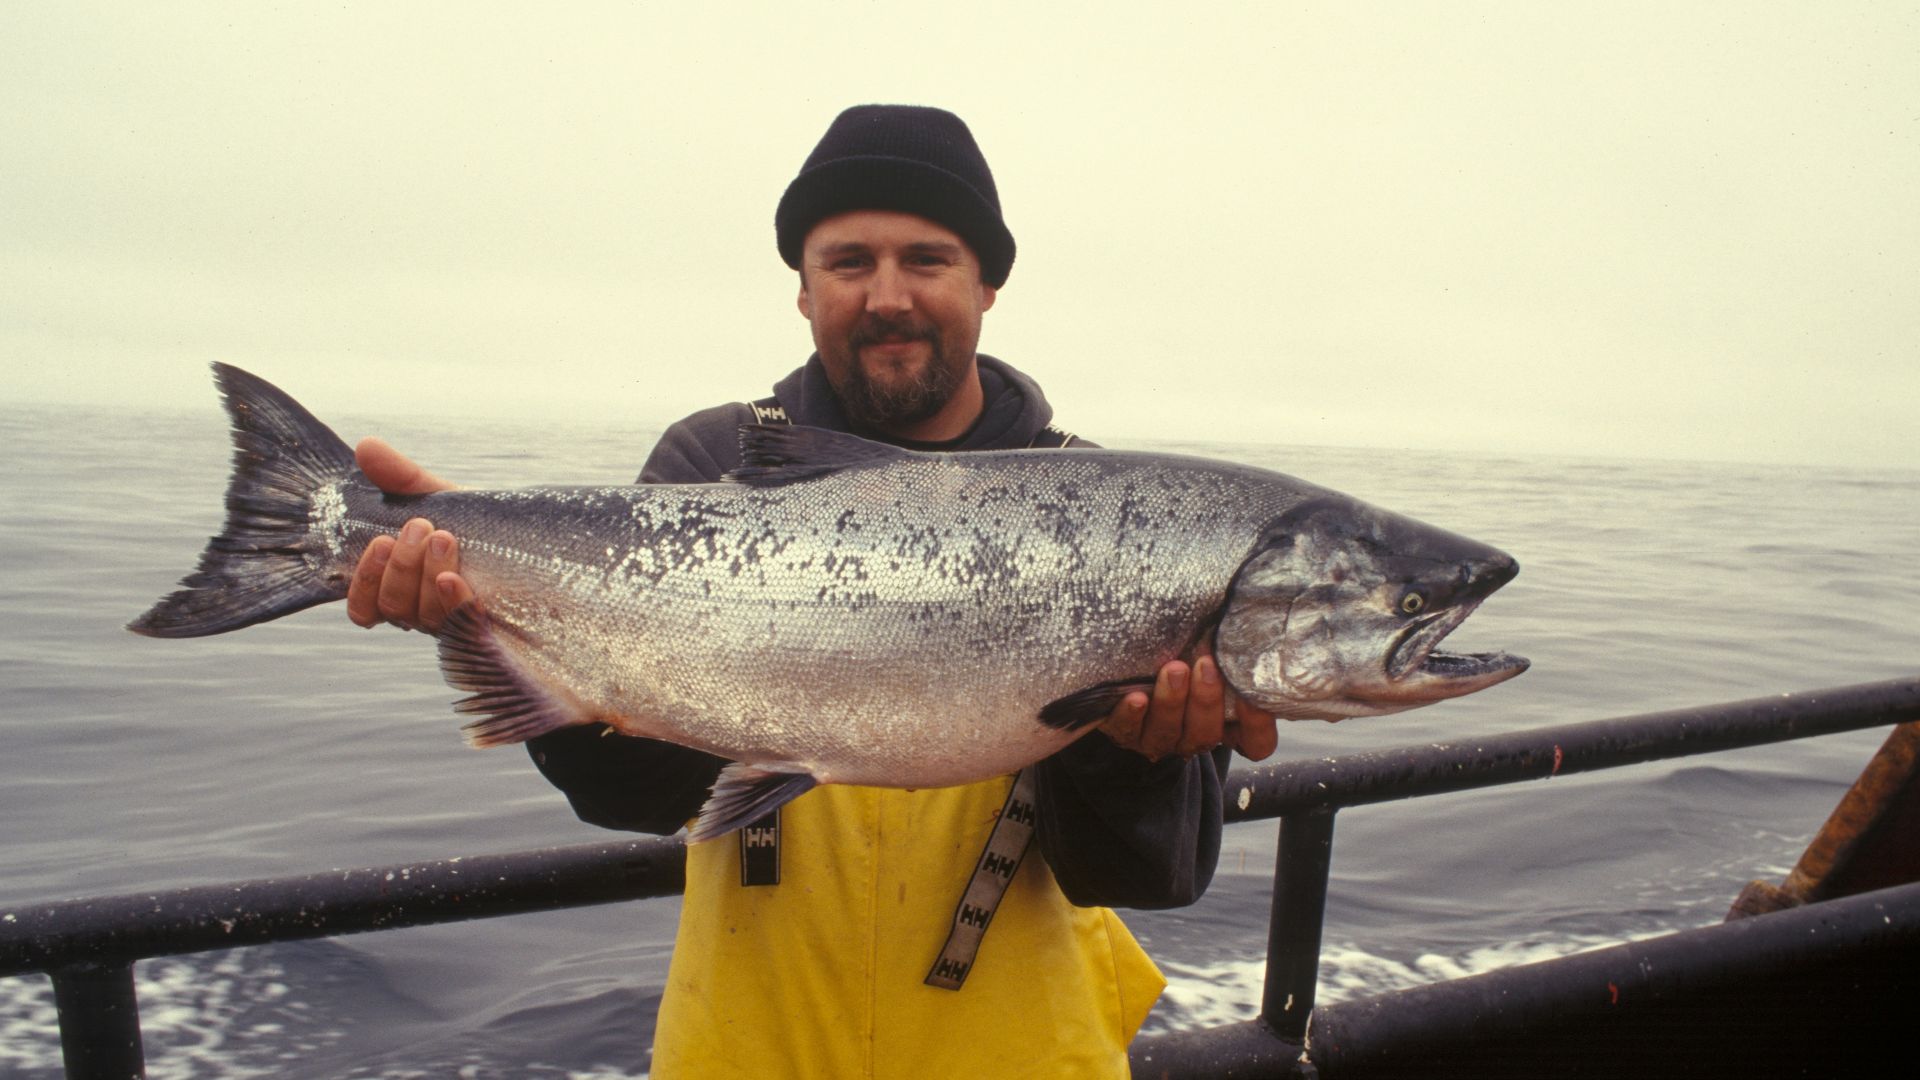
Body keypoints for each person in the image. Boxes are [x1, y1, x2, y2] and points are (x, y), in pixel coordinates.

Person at [345, 104, 1280, 1078]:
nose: (888, 297)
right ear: (802, 288)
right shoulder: (714, 466)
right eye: (848, 262)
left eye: (927, 258)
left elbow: (1148, 876)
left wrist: (1133, 757)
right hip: (749, 1050)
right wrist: (481, 593)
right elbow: (625, 797)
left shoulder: (1116, 513)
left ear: (988, 283)